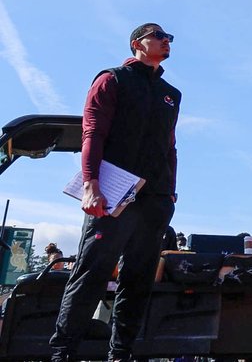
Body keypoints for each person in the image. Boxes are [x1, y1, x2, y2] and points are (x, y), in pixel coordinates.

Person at [49, 23, 181, 362]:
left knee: (138, 278)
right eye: (159, 36)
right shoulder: (112, 79)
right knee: (92, 273)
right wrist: (91, 184)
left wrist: (171, 192)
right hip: (112, 193)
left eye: (169, 39)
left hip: (155, 197)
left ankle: (120, 354)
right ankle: (63, 353)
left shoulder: (171, 94)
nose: (167, 41)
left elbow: (170, 147)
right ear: (138, 43)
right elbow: (92, 132)